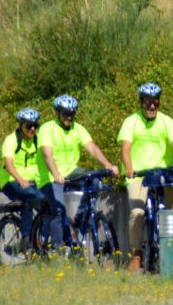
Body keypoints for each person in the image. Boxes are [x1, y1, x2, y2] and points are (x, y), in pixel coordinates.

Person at [118, 82, 173, 271]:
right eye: (148, 102)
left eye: (155, 102)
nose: (152, 106)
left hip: (162, 174)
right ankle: (136, 253)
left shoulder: (167, 121)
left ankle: (169, 256)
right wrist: (129, 167)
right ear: (141, 103)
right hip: (138, 175)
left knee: (168, 215)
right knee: (137, 213)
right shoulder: (131, 122)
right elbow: (125, 148)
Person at [36, 94, 119, 250]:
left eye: (72, 113)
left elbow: (92, 148)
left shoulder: (78, 129)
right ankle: (58, 251)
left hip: (71, 171)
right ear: (57, 112)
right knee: (59, 210)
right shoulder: (47, 129)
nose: (69, 117)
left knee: (94, 181)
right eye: (66, 113)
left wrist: (108, 165)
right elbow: (47, 155)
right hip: (49, 176)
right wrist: (56, 174)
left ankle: (78, 219)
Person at [0, 107, 47, 250]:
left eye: (35, 126)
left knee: (49, 202)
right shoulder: (11, 140)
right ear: (20, 125)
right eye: (29, 126)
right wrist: (20, 179)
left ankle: (41, 240)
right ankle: (26, 239)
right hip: (11, 182)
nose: (33, 129)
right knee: (29, 195)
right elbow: (8, 165)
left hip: (33, 182)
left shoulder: (38, 141)